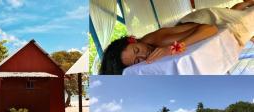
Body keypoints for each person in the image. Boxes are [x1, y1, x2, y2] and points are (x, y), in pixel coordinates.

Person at [100, 0, 254, 75]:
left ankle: (240, 7)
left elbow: (210, 28)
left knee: (244, 17)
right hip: (189, 25)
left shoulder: (159, 41)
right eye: (137, 60)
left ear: (133, 40)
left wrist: (173, 47)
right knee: (240, 15)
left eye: (137, 50)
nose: (143, 55)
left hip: (206, 19)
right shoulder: (146, 63)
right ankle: (237, 9)